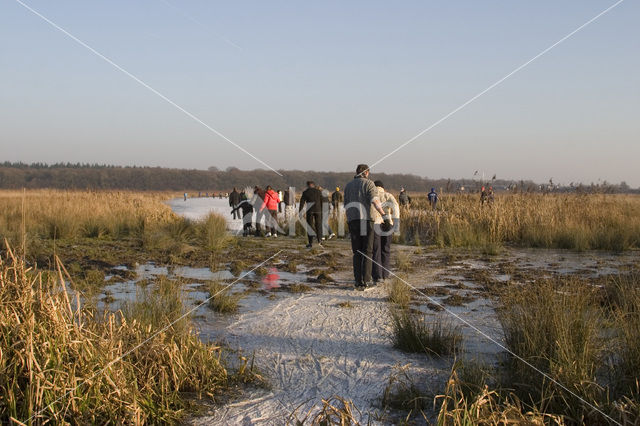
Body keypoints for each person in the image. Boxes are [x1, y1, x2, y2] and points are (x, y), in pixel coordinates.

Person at [343, 164, 390, 290]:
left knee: (357, 252)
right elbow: (375, 201)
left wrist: (349, 219)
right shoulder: (369, 184)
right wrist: (384, 216)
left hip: (352, 220)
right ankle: (367, 280)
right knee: (368, 251)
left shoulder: (348, 186)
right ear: (367, 173)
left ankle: (358, 281)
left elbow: (346, 205)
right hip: (367, 220)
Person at [372, 181, 399, 284]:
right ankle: (385, 274)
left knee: (376, 250)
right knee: (386, 249)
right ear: (383, 187)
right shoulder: (388, 195)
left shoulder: (372, 195)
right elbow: (395, 207)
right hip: (388, 223)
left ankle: (377, 276)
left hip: (375, 223)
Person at [298, 181, 323, 248]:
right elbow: (322, 201)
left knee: (309, 226)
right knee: (318, 225)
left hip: (310, 211)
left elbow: (302, 203)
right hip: (318, 210)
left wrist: (300, 212)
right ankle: (319, 240)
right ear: (313, 185)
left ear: (308, 185)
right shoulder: (318, 191)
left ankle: (310, 242)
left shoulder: (305, 192)